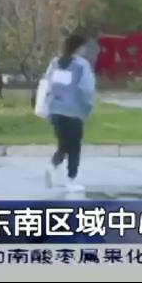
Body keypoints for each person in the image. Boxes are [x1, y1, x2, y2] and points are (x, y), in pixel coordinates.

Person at [43, 34, 96, 193]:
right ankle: (71, 180)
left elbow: (49, 84)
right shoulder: (81, 65)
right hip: (73, 111)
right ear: (78, 47)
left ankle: (52, 166)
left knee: (64, 144)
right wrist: (87, 107)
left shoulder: (55, 62)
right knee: (74, 148)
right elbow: (87, 88)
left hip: (55, 109)